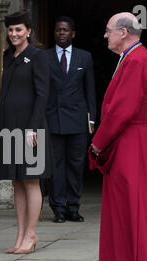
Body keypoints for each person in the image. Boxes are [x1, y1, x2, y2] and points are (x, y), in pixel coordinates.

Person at [90, 12, 147, 261]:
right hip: (129, 139)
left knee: (135, 209)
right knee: (125, 209)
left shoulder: (136, 59)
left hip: (131, 140)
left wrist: (98, 142)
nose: (105, 35)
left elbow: (122, 109)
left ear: (123, 32)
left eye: (108, 30)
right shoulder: (132, 57)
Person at [0, 10, 54, 254]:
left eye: (18, 29)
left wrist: (34, 127)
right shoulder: (8, 55)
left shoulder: (38, 57)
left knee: (31, 181)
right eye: (10, 30)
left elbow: (42, 94)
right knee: (16, 181)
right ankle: (19, 236)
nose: (14, 34)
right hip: (8, 125)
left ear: (28, 31)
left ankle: (31, 234)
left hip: (30, 127)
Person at [46, 16, 96, 223]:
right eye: (58, 30)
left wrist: (92, 119)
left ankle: (73, 206)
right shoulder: (44, 57)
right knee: (56, 166)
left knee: (76, 165)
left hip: (77, 120)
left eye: (65, 30)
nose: (61, 33)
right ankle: (58, 208)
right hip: (53, 119)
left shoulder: (84, 57)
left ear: (72, 33)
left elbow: (90, 90)